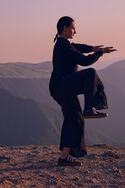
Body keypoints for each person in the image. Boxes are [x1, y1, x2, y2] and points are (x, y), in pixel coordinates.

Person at [49, 16, 116, 166]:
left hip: (60, 87)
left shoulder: (63, 44)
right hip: (61, 86)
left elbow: (78, 46)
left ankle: (64, 157)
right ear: (65, 28)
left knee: (75, 119)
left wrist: (93, 49)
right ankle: (90, 108)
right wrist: (100, 53)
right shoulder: (62, 46)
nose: (75, 31)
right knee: (90, 73)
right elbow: (85, 61)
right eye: (73, 28)